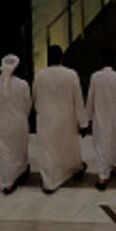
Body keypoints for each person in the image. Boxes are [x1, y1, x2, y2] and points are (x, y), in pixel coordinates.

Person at [32, 45, 87, 193]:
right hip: (66, 118)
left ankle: (50, 180)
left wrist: (39, 112)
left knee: (48, 151)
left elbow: (35, 98)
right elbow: (78, 100)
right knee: (68, 148)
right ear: (62, 58)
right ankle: (71, 169)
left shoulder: (39, 75)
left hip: (46, 119)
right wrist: (83, 123)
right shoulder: (71, 75)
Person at [86, 50, 116, 191]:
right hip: (114, 117)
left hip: (99, 117)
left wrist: (86, 118)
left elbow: (90, 98)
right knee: (113, 142)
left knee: (100, 145)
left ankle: (104, 173)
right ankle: (108, 170)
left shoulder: (95, 77)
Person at [0, 54, 31, 194]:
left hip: (1, 124)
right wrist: (21, 117)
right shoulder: (23, 85)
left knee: (3, 154)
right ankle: (16, 175)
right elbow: (28, 105)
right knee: (18, 151)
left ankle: (6, 180)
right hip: (19, 123)